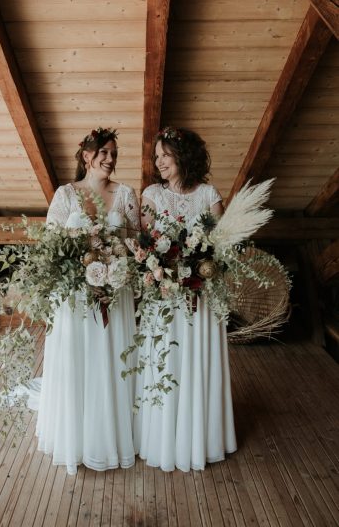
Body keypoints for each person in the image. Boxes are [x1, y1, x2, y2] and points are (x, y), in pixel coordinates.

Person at [36, 127, 140, 474]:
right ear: (87, 157)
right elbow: (52, 244)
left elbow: (136, 242)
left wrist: (116, 257)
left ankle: (111, 434)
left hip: (116, 293)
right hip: (77, 297)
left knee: (111, 360)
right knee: (80, 360)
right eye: (104, 153)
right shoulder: (66, 195)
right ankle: (76, 437)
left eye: (113, 153)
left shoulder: (126, 194)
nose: (110, 159)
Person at [134, 126, 237, 472]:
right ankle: (162, 437)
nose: (159, 162)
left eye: (165, 155)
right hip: (165, 296)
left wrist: (202, 265)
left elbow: (222, 248)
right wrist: (165, 266)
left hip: (201, 297)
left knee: (197, 361)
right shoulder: (151, 194)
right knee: (166, 362)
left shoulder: (209, 194)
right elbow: (146, 245)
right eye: (157, 157)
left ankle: (201, 437)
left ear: (183, 155)